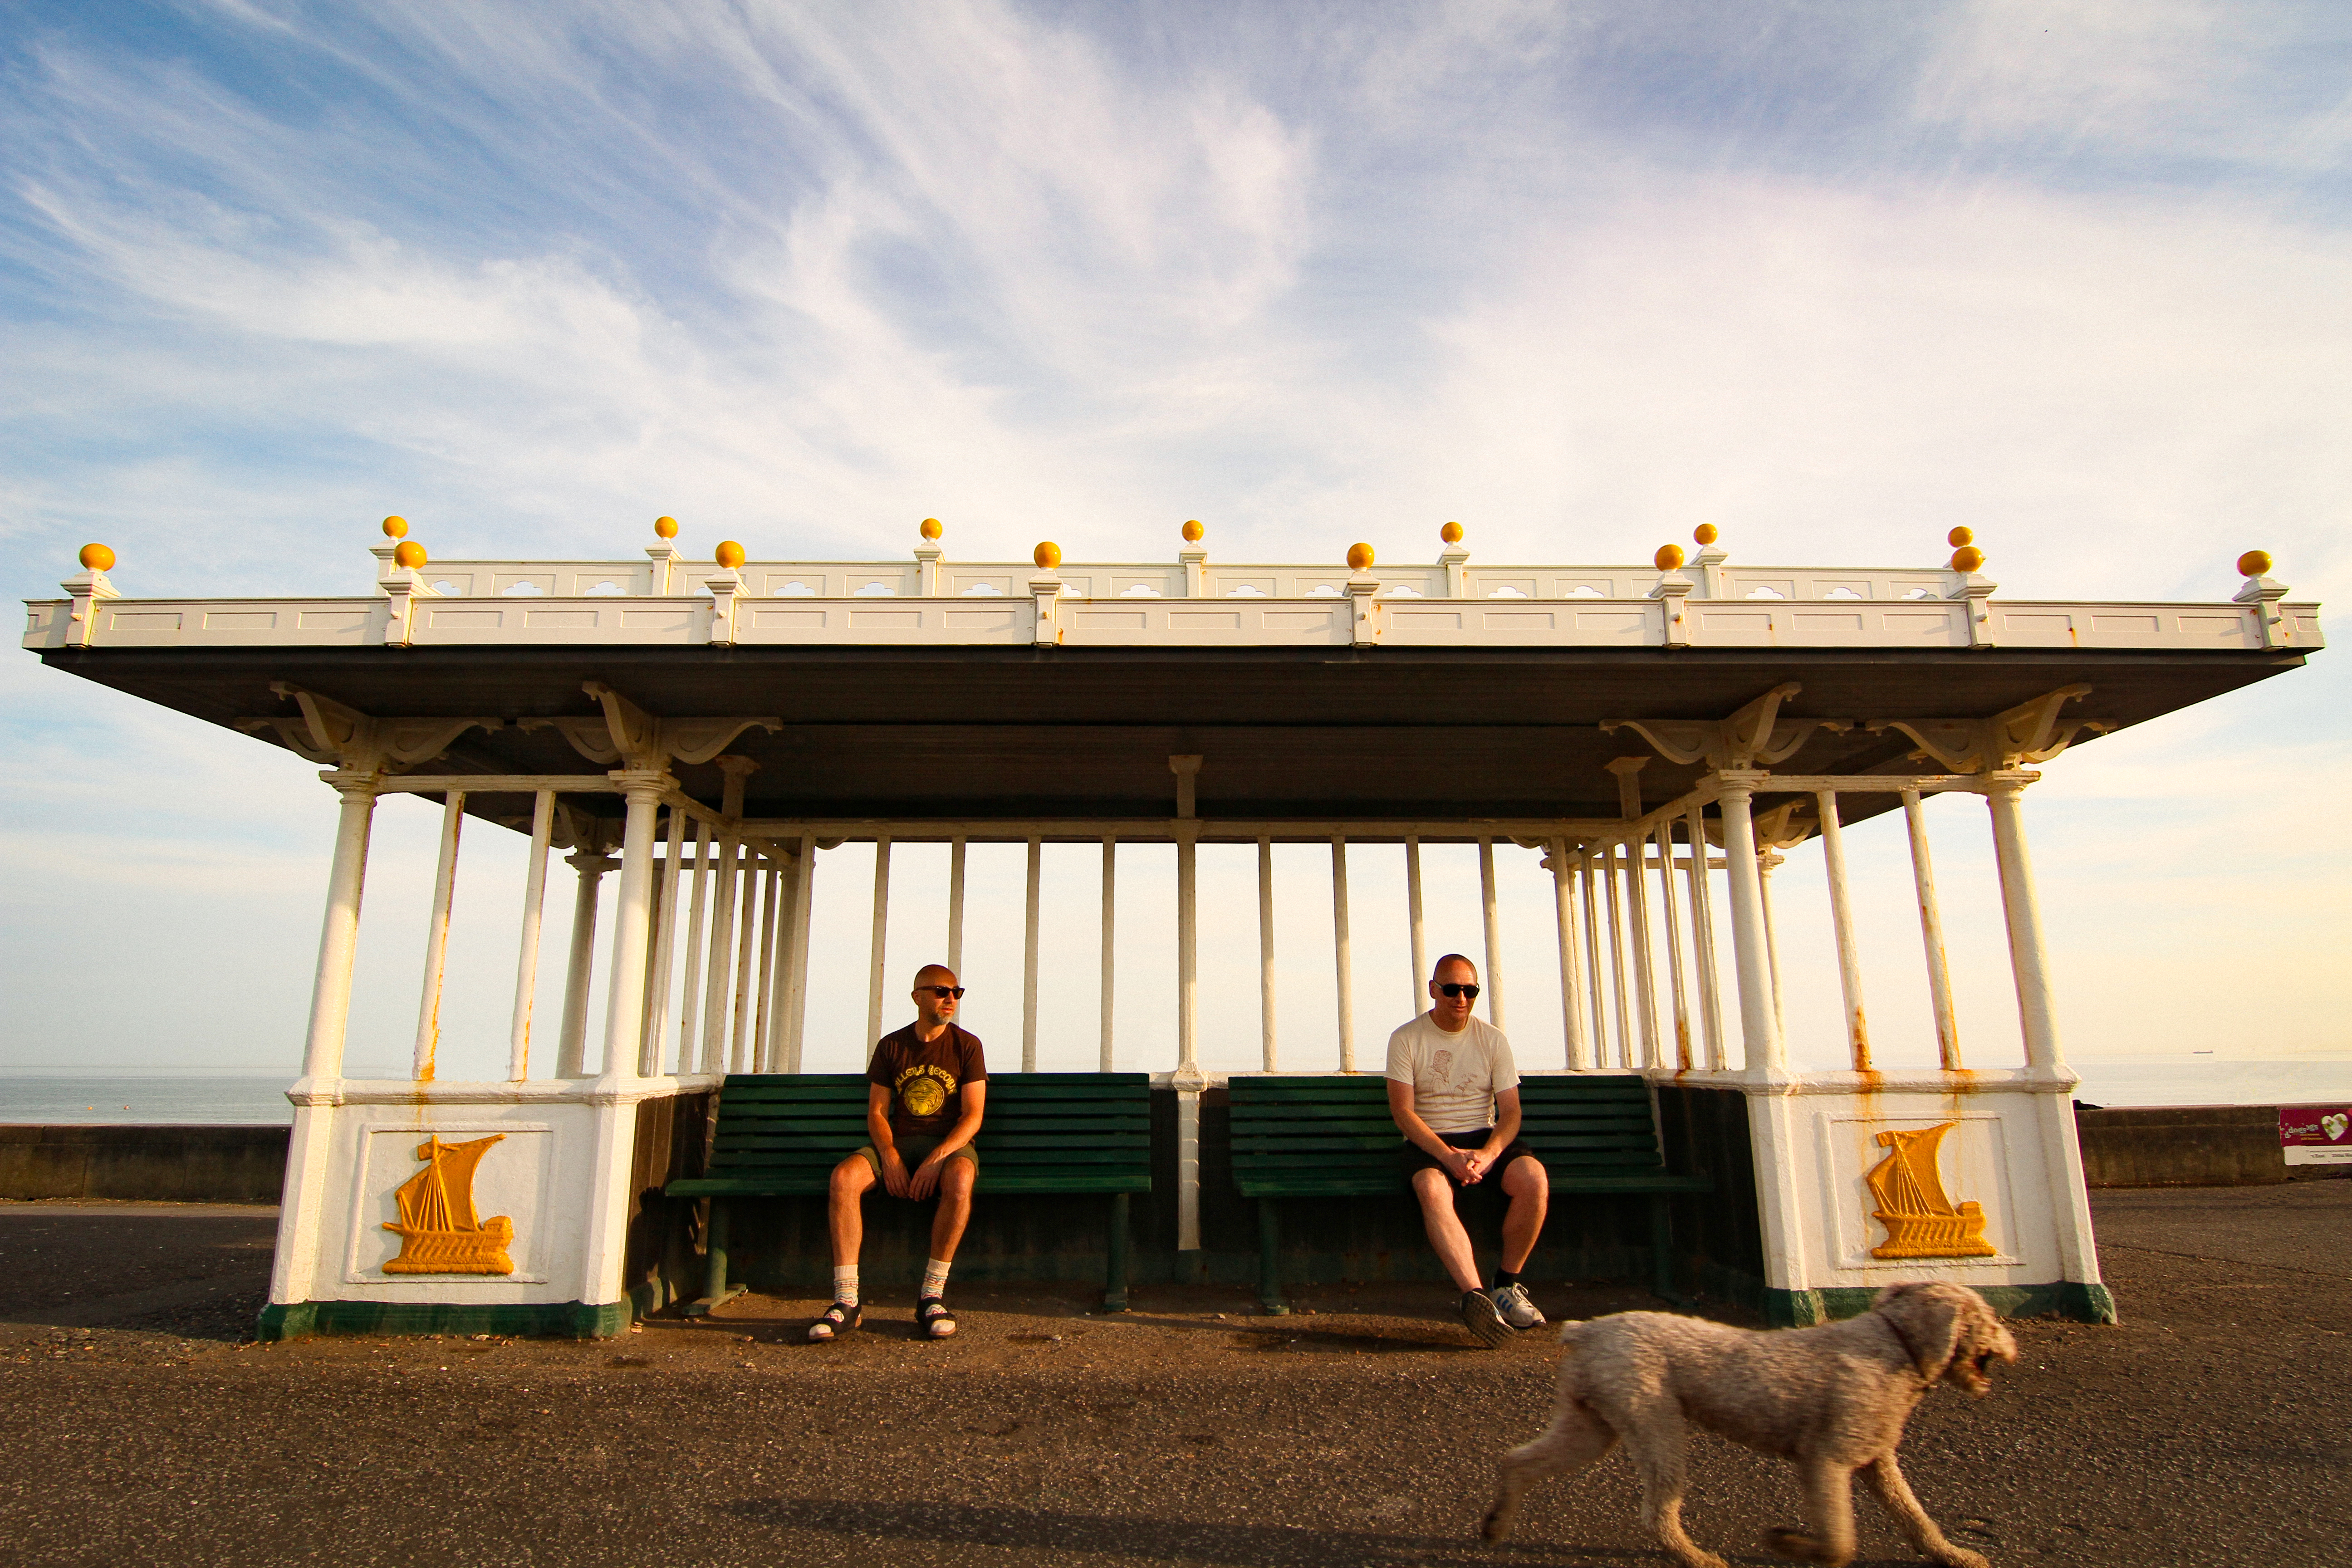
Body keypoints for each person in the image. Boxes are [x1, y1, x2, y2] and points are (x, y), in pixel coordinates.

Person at [809, 963, 986, 1343]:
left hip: (949, 1146)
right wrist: (889, 1156)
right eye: (941, 991)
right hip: (900, 1143)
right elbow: (877, 1112)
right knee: (844, 1178)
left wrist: (937, 1159)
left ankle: (931, 1297)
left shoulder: (967, 1045)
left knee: (961, 1180)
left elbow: (973, 1116)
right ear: (918, 997)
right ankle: (847, 1301)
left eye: (956, 992)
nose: (950, 999)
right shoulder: (893, 1046)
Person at [1385, 953, 1549, 1347]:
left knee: (1534, 1179)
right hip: (1430, 1141)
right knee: (1431, 1189)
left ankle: (1506, 1285)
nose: (1461, 999)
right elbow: (1403, 1113)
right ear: (1434, 990)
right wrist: (1447, 1156)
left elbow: (1511, 1113)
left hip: (1483, 1139)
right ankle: (1477, 1299)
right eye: (1452, 990)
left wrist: (1489, 1155)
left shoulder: (1492, 1040)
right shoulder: (1406, 1039)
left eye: (1470, 991)